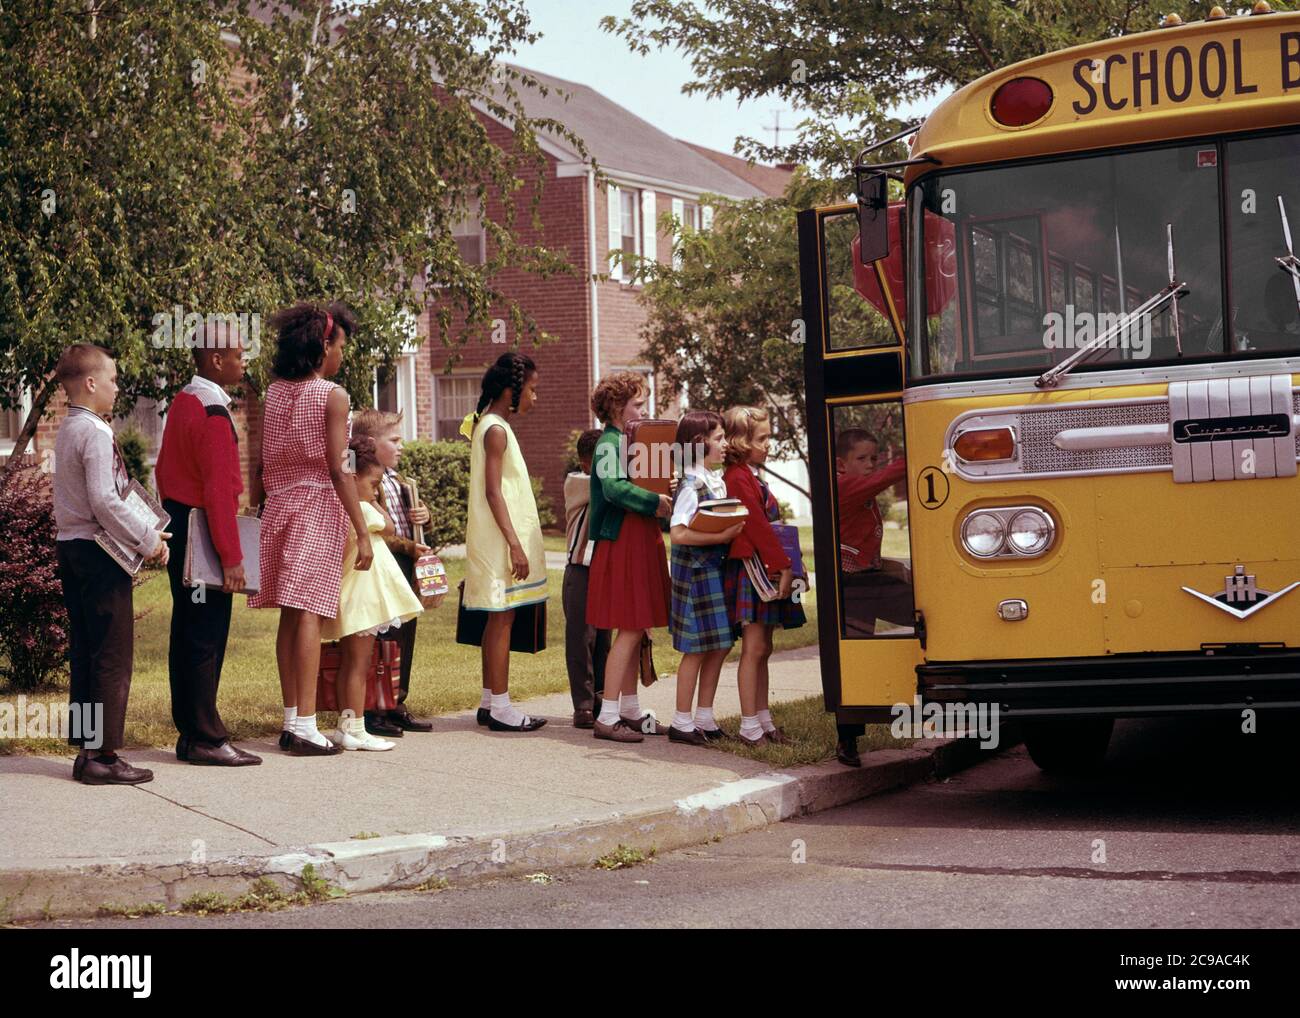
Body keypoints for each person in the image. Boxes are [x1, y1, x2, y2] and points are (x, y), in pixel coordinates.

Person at [249, 302, 371, 757]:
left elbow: (263, 464)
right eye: (341, 346)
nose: (343, 355)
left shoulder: (275, 392)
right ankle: (303, 725)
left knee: (290, 613)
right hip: (316, 507)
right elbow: (341, 468)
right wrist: (361, 530)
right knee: (309, 613)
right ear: (324, 345)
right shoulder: (332, 395)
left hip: (280, 507)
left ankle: (291, 719)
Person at [53, 344, 170, 785]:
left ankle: (87, 752)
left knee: (86, 649)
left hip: (71, 548)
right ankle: (103, 755)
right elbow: (105, 499)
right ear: (90, 383)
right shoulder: (96, 432)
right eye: (114, 379)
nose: (117, 388)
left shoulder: (69, 429)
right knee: (112, 655)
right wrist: (149, 539)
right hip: (100, 554)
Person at [154, 319, 261, 766]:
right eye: (238, 355)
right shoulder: (214, 412)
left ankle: (192, 733)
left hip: (181, 525)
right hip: (204, 530)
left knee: (188, 630)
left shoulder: (183, 399)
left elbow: (163, 472)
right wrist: (232, 559)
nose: (243, 361)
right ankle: (205, 737)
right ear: (216, 359)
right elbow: (220, 492)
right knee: (206, 635)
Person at [461, 351, 548, 733]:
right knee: (502, 617)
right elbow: (494, 492)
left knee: (500, 617)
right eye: (531, 390)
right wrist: (515, 543)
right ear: (512, 390)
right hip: (498, 540)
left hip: (495, 537)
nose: (535, 397)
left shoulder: (491, 425)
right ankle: (501, 706)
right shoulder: (495, 429)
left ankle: (489, 701)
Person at [320, 434, 424, 750]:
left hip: (361, 599)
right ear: (354, 478)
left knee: (355, 664)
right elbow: (391, 527)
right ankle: (354, 728)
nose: (376, 488)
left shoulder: (352, 507)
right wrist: (374, 498)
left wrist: (370, 491)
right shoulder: (361, 511)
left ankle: (347, 725)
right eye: (374, 482)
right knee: (357, 665)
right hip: (362, 601)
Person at [586, 371, 674, 743]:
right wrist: (655, 501)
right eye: (638, 403)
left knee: (636, 627)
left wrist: (662, 487)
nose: (644, 409)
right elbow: (613, 488)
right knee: (631, 626)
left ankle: (630, 710)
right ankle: (608, 716)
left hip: (637, 536)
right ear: (617, 407)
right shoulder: (609, 442)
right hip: (623, 539)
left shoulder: (627, 441)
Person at [722, 405, 805, 747]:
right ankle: (749, 726)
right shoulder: (738, 476)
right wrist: (783, 565)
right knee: (754, 649)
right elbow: (755, 525)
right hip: (755, 568)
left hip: (763, 565)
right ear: (741, 441)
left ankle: (764, 719)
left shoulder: (749, 473)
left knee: (764, 647)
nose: (769, 444)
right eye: (763, 438)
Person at [353, 409, 435, 738]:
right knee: (383, 638)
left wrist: (425, 517)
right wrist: (408, 548)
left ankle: (397, 699)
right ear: (371, 444)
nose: (402, 446)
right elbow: (380, 531)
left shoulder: (400, 480)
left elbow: (410, 522)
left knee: (404, 636)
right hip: (387, 562)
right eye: (395, 440)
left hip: (406, 563)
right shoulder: (365, 480)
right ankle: (376, 707)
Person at [667, 411, 745, 745]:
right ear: (699, 443)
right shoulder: (691, 483)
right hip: (697, 574)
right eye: (718, 438)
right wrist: (721, 536)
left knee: (720, 644)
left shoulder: (714, 479)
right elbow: (678, 534)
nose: (725, 444)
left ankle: (705, 717)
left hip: (714, 570)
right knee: (697, 648)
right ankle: (681, 722)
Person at [834, 427, 910, 767]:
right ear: (840, 464)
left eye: (873, 459)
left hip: (870, 580)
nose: (869, 465)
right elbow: (887, 477)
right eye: (861, 459)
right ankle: (847, 739)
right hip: (853, 586)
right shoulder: (844, 486)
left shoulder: (859, 491)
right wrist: (918, 449)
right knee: (857, 659)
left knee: (922, 612)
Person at [563, 429, 610, 729]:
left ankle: (602, 698)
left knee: (603, 639)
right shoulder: (577, 482)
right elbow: (606, 488)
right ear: (585, 463)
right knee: (581, 638)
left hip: (605, 570)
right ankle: (582, 705)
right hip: (580, 569)